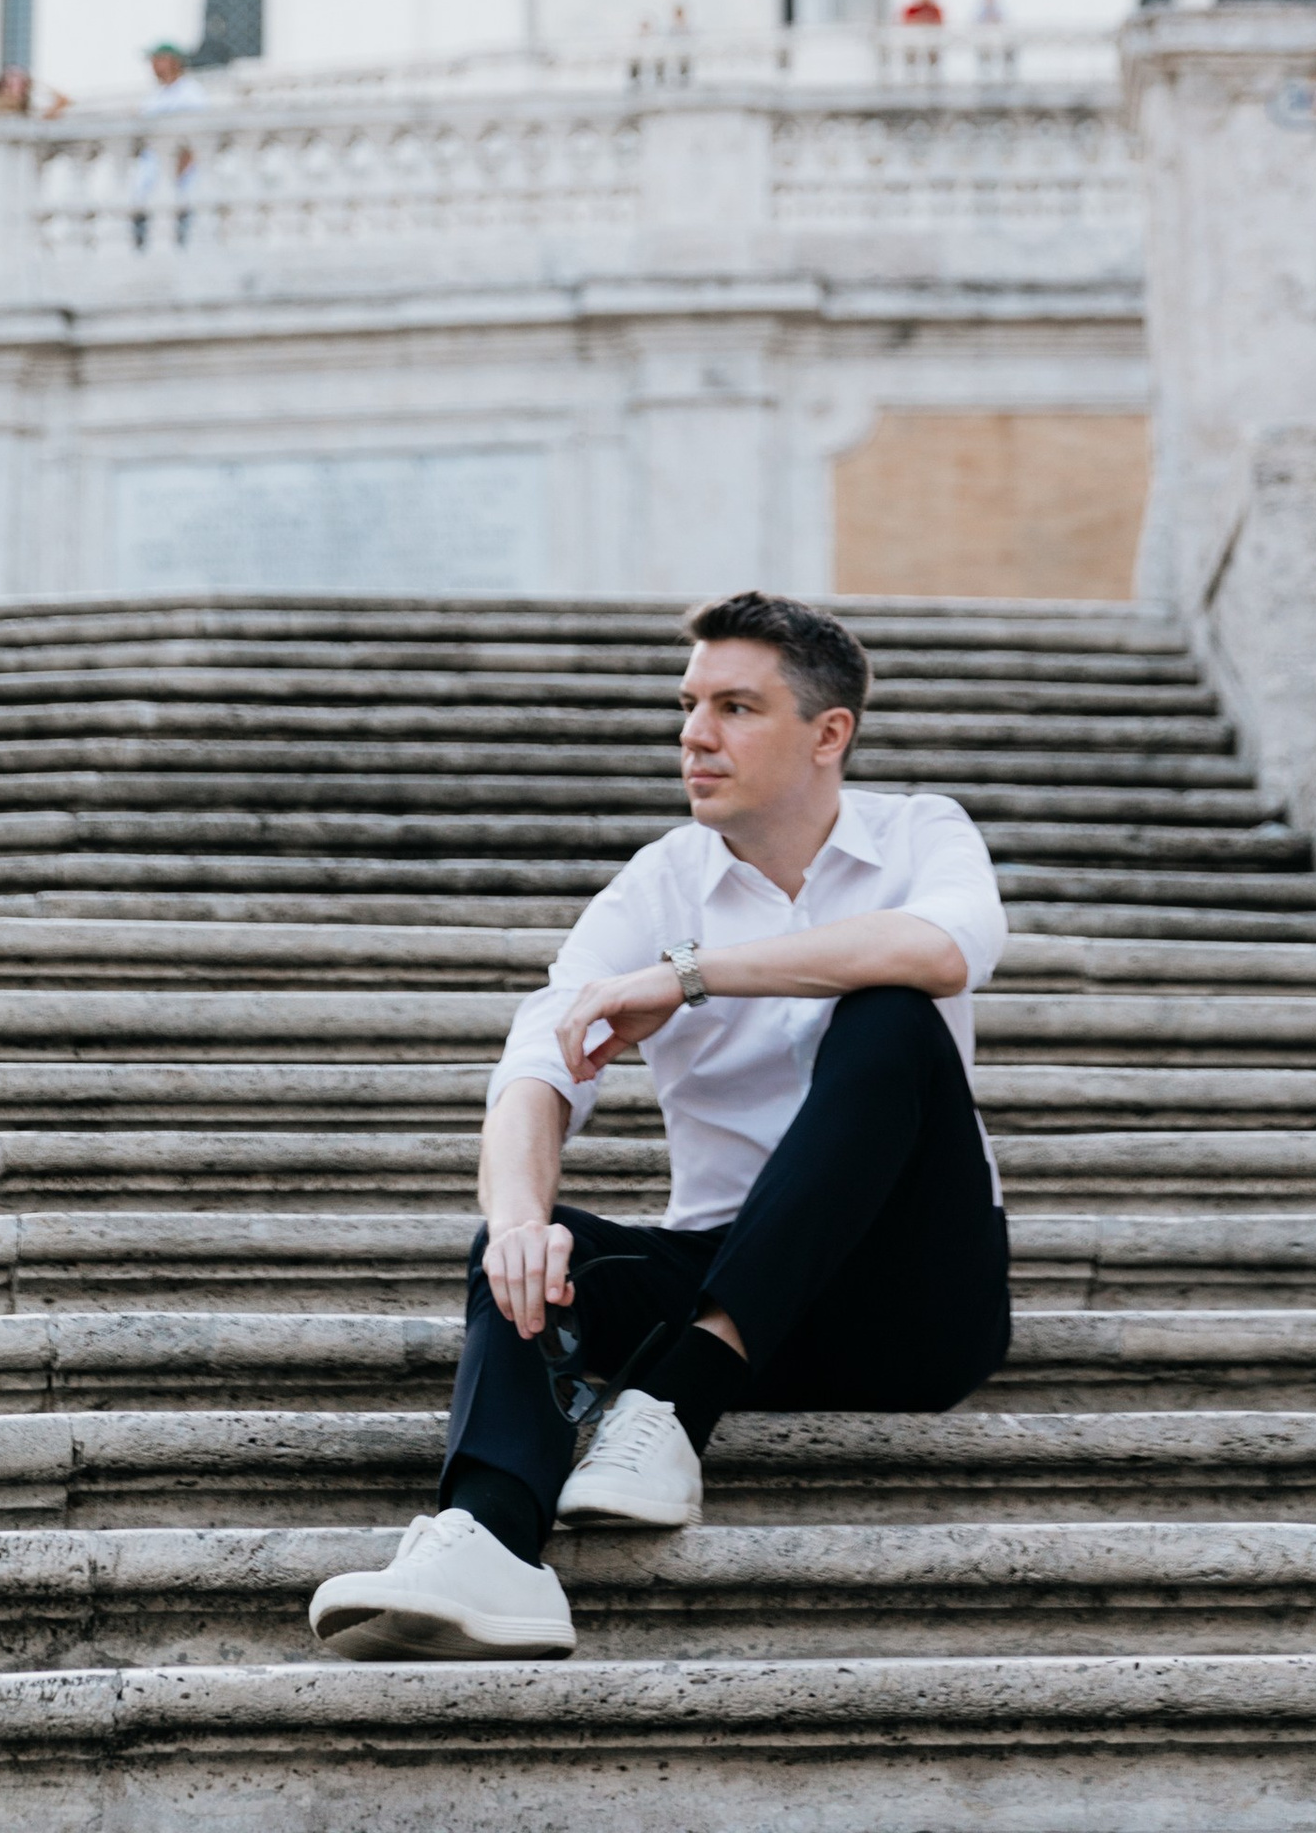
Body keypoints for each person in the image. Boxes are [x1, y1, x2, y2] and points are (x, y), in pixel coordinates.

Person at [307, 591, 1010, 1662]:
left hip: (911, 1297)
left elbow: (940, 951)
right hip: (734, 1266)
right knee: (544, 1254)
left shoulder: (922, 832)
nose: (694, 734)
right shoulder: (657, 882)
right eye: (688, 704)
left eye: (735, 706)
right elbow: (539, 1062)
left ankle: (680, 1395)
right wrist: (515, 1222)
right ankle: (491, 1543)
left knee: (889, 1017)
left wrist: (690, 977)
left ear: (830, 735)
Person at [128, 41, 208, 247]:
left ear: (172, 61)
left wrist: (173, 177)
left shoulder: (191, 93)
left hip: (180, 182)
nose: (153, 66)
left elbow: (193, 142)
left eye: (157, 60)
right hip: (149, 180)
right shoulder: (155, 97)